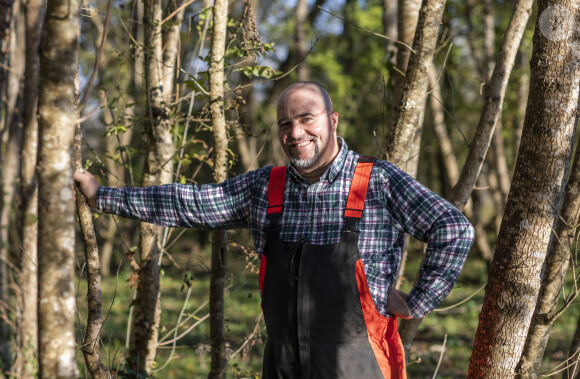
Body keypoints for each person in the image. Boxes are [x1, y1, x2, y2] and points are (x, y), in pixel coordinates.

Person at [74, 82, 474, 378]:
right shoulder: (267, 188)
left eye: (306, 119)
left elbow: (453, 228)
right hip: (283, 365)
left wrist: (419, 301)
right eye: (285, 123)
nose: (296, 132)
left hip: (359, 366)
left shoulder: (378, 182)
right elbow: (190, 203)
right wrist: (102, 196)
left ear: (331, 121)